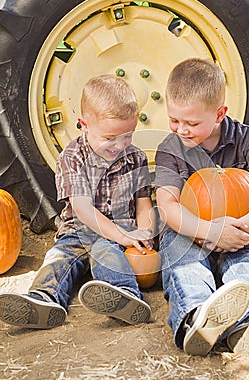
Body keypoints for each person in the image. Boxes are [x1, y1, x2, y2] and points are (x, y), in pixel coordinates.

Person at [155, 58, 249, 355]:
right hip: (188, 231)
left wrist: (238, 230)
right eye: (174, 120)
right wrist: (210, 231)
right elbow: (168, 205)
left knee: (247, 265)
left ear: (220, 113)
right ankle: (196, 319)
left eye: (192, 123)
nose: (181, 129)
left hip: (240, 230)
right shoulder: (170, 148)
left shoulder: (246, 139)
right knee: (185, 265)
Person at [0, 75, 156, 329]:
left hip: (115, 237)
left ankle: (125, 296)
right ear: (84, 125)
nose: (120, 144)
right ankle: (43, 299)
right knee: (58, 259)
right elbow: (82, 209)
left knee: (106, 252)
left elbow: (142, 201)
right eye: (110, 137)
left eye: (128, 136)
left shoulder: (135, 157)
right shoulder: (71, 157)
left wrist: (145, 230)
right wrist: (122, 236)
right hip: (77, 232)